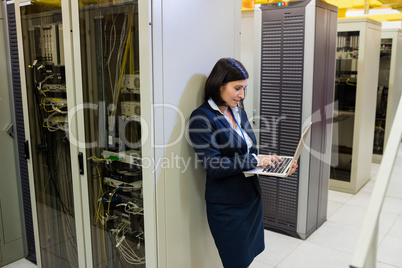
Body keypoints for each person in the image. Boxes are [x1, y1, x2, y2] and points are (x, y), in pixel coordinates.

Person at [188, 58, 297, 268]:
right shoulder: (201, 119)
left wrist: (275, 166)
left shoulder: (238, 112)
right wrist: (255, 159)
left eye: (244, 88)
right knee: (235, 261)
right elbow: (214, 166)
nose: (242, 95)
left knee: (246, 259)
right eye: (237, 88)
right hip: (227, 207)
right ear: (219, 85)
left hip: (250, 198)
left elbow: (247, 154)